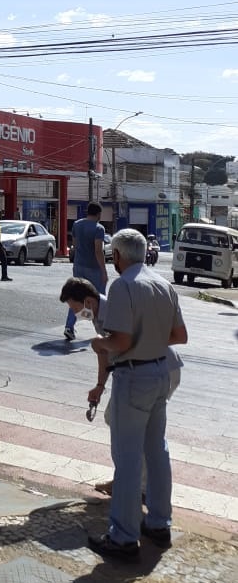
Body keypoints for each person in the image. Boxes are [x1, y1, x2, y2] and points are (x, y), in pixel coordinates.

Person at [86, 228, 188, 560]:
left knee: (128, 460)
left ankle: (124, 537)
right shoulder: (163, 284)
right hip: (161, 372)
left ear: (118, 255)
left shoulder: (123, 285)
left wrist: (98, 343)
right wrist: (152, 341)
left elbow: (121, 342)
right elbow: (179, 335)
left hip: (134, 376)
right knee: (157, 452)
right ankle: (159, 523)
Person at [59, 274, 183, 496]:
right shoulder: (99, 314)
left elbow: (120, 344)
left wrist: (100, 345)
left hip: (157, 369)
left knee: (136, 429)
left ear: (88, 301)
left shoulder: (113, 310)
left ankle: (137, 486)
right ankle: (133, 482)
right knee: (118, 421)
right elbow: (104, 353)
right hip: (150, 370)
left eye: (74, 307)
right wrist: (99, 385)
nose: (76, 314)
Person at [65, 202, 108, 341]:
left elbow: (75, 244)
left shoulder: (77, 224)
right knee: (100, 298)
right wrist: (104, 270)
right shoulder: (99, 228)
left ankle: (69, 327)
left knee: (76, 296)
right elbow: (98, 250)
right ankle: (103, 329)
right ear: (99, 214)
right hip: (93, 268)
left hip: (78, 265)